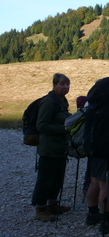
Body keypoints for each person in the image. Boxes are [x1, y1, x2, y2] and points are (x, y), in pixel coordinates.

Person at [31, 73, 71, 222]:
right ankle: (40, 209)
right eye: (62, 84)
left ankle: (52, 204)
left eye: (67, 84)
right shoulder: (49, 102)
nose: (65, 87)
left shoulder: (62, 101)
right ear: (54, 85)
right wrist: (64, 129)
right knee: (45, 178)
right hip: (48, 148)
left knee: (57, 177)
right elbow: (41, 125)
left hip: (60, 147)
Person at [78, 95, 109, 234]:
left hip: (92, 150)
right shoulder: (108, 109)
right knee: (106, 184)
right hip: (104, 151)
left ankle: (92, 214)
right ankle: (106, 220)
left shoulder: (91, 106)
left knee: (94, 180)